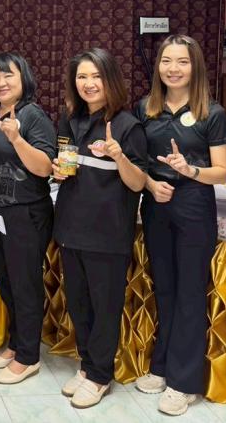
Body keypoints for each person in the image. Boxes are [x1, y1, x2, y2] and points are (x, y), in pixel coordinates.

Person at [134, 35, 226, 416]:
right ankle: (162, 366)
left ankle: (185, 381)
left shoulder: (212, 113)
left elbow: (222, 171)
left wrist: (190, 170)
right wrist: (149, 183)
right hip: (156, 203)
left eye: (182, 62)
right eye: (166, 61)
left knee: (190, 293)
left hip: (193, 203)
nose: (173, 68)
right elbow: (137, 162)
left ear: (196, 67)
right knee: (165, 289)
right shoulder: (146, 108)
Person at [52, 48, 148, 409]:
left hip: (107, 234)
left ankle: (100, 375)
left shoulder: (127, 125)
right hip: (70, 227)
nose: (88, 84)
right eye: (82, 77)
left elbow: (137, 183)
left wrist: (119, 155)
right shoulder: (70, 120)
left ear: (110, 80)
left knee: (104, 307)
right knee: (79, 304)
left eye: (96, 76)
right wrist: (58, 170)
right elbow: (65, 167)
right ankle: (86, 364)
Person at [0, 52, 56, 384]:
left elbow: (45, 167)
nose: (1, 82)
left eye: (8, 75)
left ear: (24, 79)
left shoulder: (34, 116)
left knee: (25, 285)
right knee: (7, 281)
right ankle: (17, 343)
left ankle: (29, 356)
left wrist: (17, 138)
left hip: (26, 212)